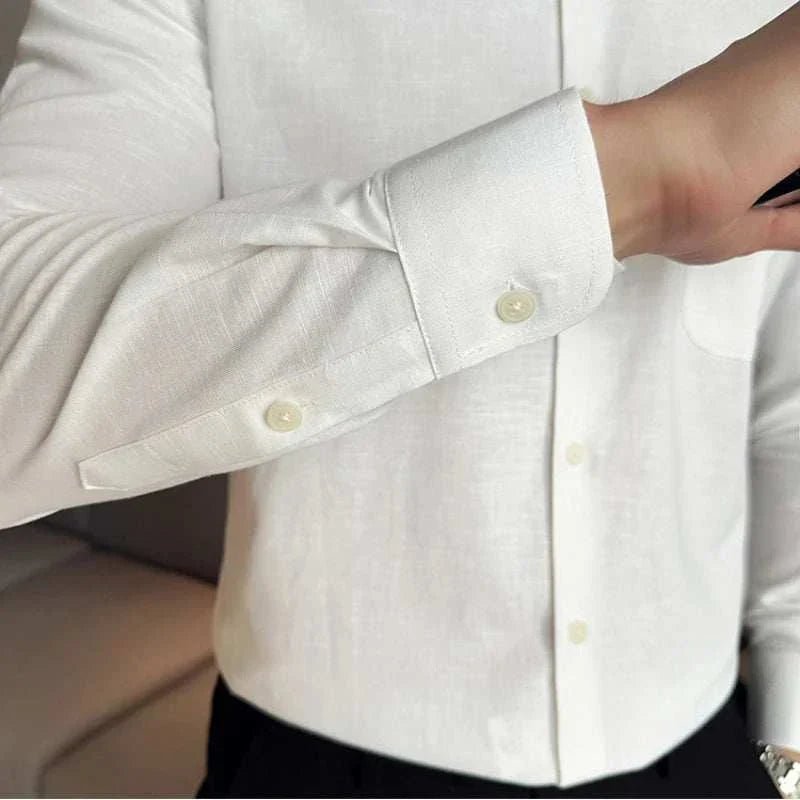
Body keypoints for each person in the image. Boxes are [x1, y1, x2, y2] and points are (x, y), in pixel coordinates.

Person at [1, 1, 799, 796]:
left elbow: (787, 403)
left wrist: (788, 736)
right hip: (319, 759)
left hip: (707, 748)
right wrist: (632, 176)